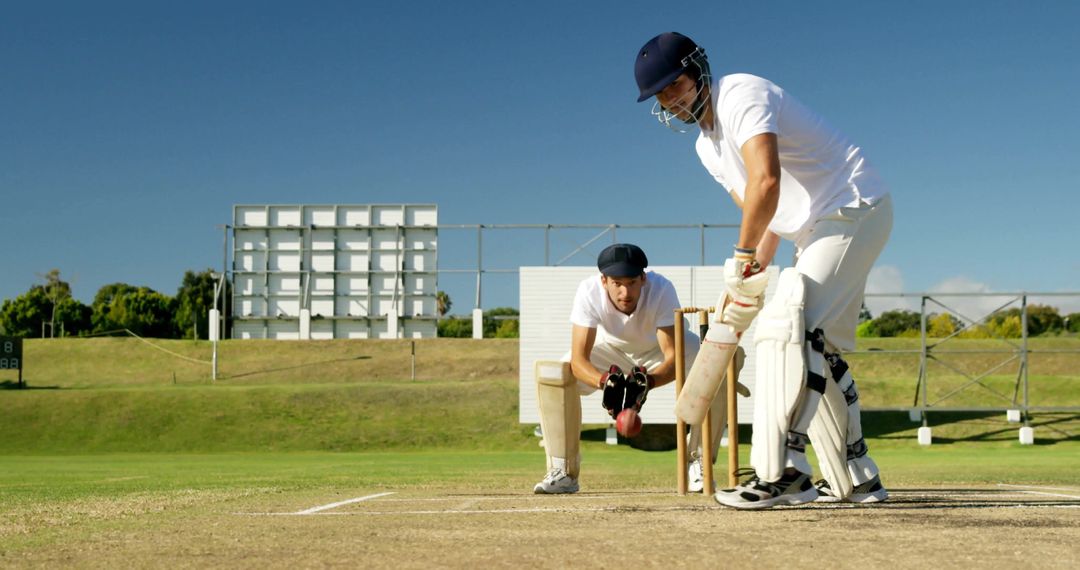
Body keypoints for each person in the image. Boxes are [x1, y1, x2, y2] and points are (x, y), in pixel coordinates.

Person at [634, 32, 892, 509]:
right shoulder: (706, 149)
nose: (672, 99)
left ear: (698, 69)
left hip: (852, 205)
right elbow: (765, 215)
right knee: (816, 348)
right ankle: (857, 476)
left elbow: (766, 181)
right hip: (815, 230)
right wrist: (749, 273)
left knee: (783, 329)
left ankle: (783, 473)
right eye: (662, 95)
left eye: (676, 84)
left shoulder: (740, 94)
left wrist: (739, 254)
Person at [534, 243, 728, 494]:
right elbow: (579, 361)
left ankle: (698, 463)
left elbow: (673, 356)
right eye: (617, 283)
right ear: (604, 281)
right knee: (555, 374)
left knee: (713, 365)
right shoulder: (588, 291)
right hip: (610, 350)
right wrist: (606, 382)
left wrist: (650, 382)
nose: (625, 292)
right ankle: (563, 471)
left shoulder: (661, 289)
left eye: (632, 282)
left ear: (643, 278)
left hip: (657, 351)